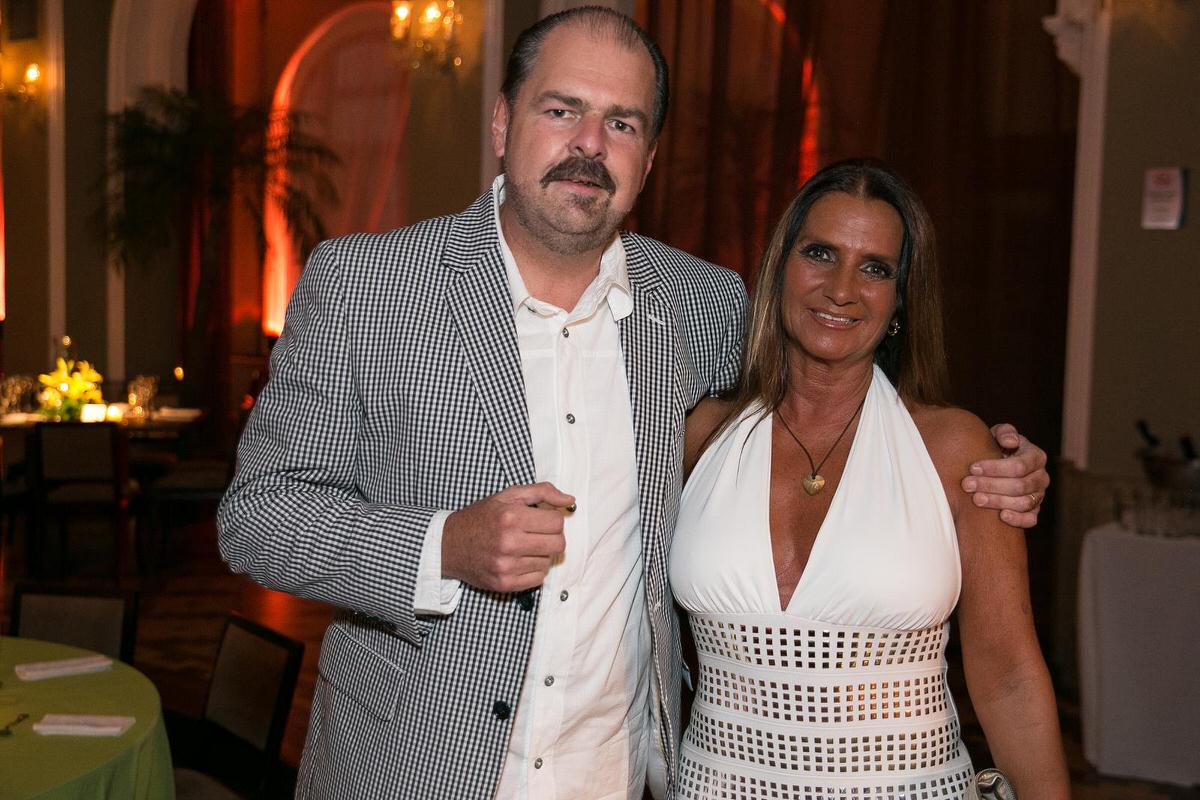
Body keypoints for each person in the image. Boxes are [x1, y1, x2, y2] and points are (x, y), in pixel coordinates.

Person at [217, 9, 1050, 799]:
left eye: (621, 123)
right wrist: (443, 547)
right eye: (562, 110)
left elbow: (825, 396)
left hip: (615, 774)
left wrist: (1002, 469)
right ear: (503, 123)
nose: (589, 144)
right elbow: (257, 516)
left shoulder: (703, 306)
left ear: (647, 159)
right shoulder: (365, 285)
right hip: (414, 768)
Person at [672, 160, 1069, 798]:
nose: (842, 289)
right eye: (820, 253)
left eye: (876, 268)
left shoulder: (954, 448)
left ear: (901, 298)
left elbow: (1009, 675)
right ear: (779, 267)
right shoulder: (700, 435)